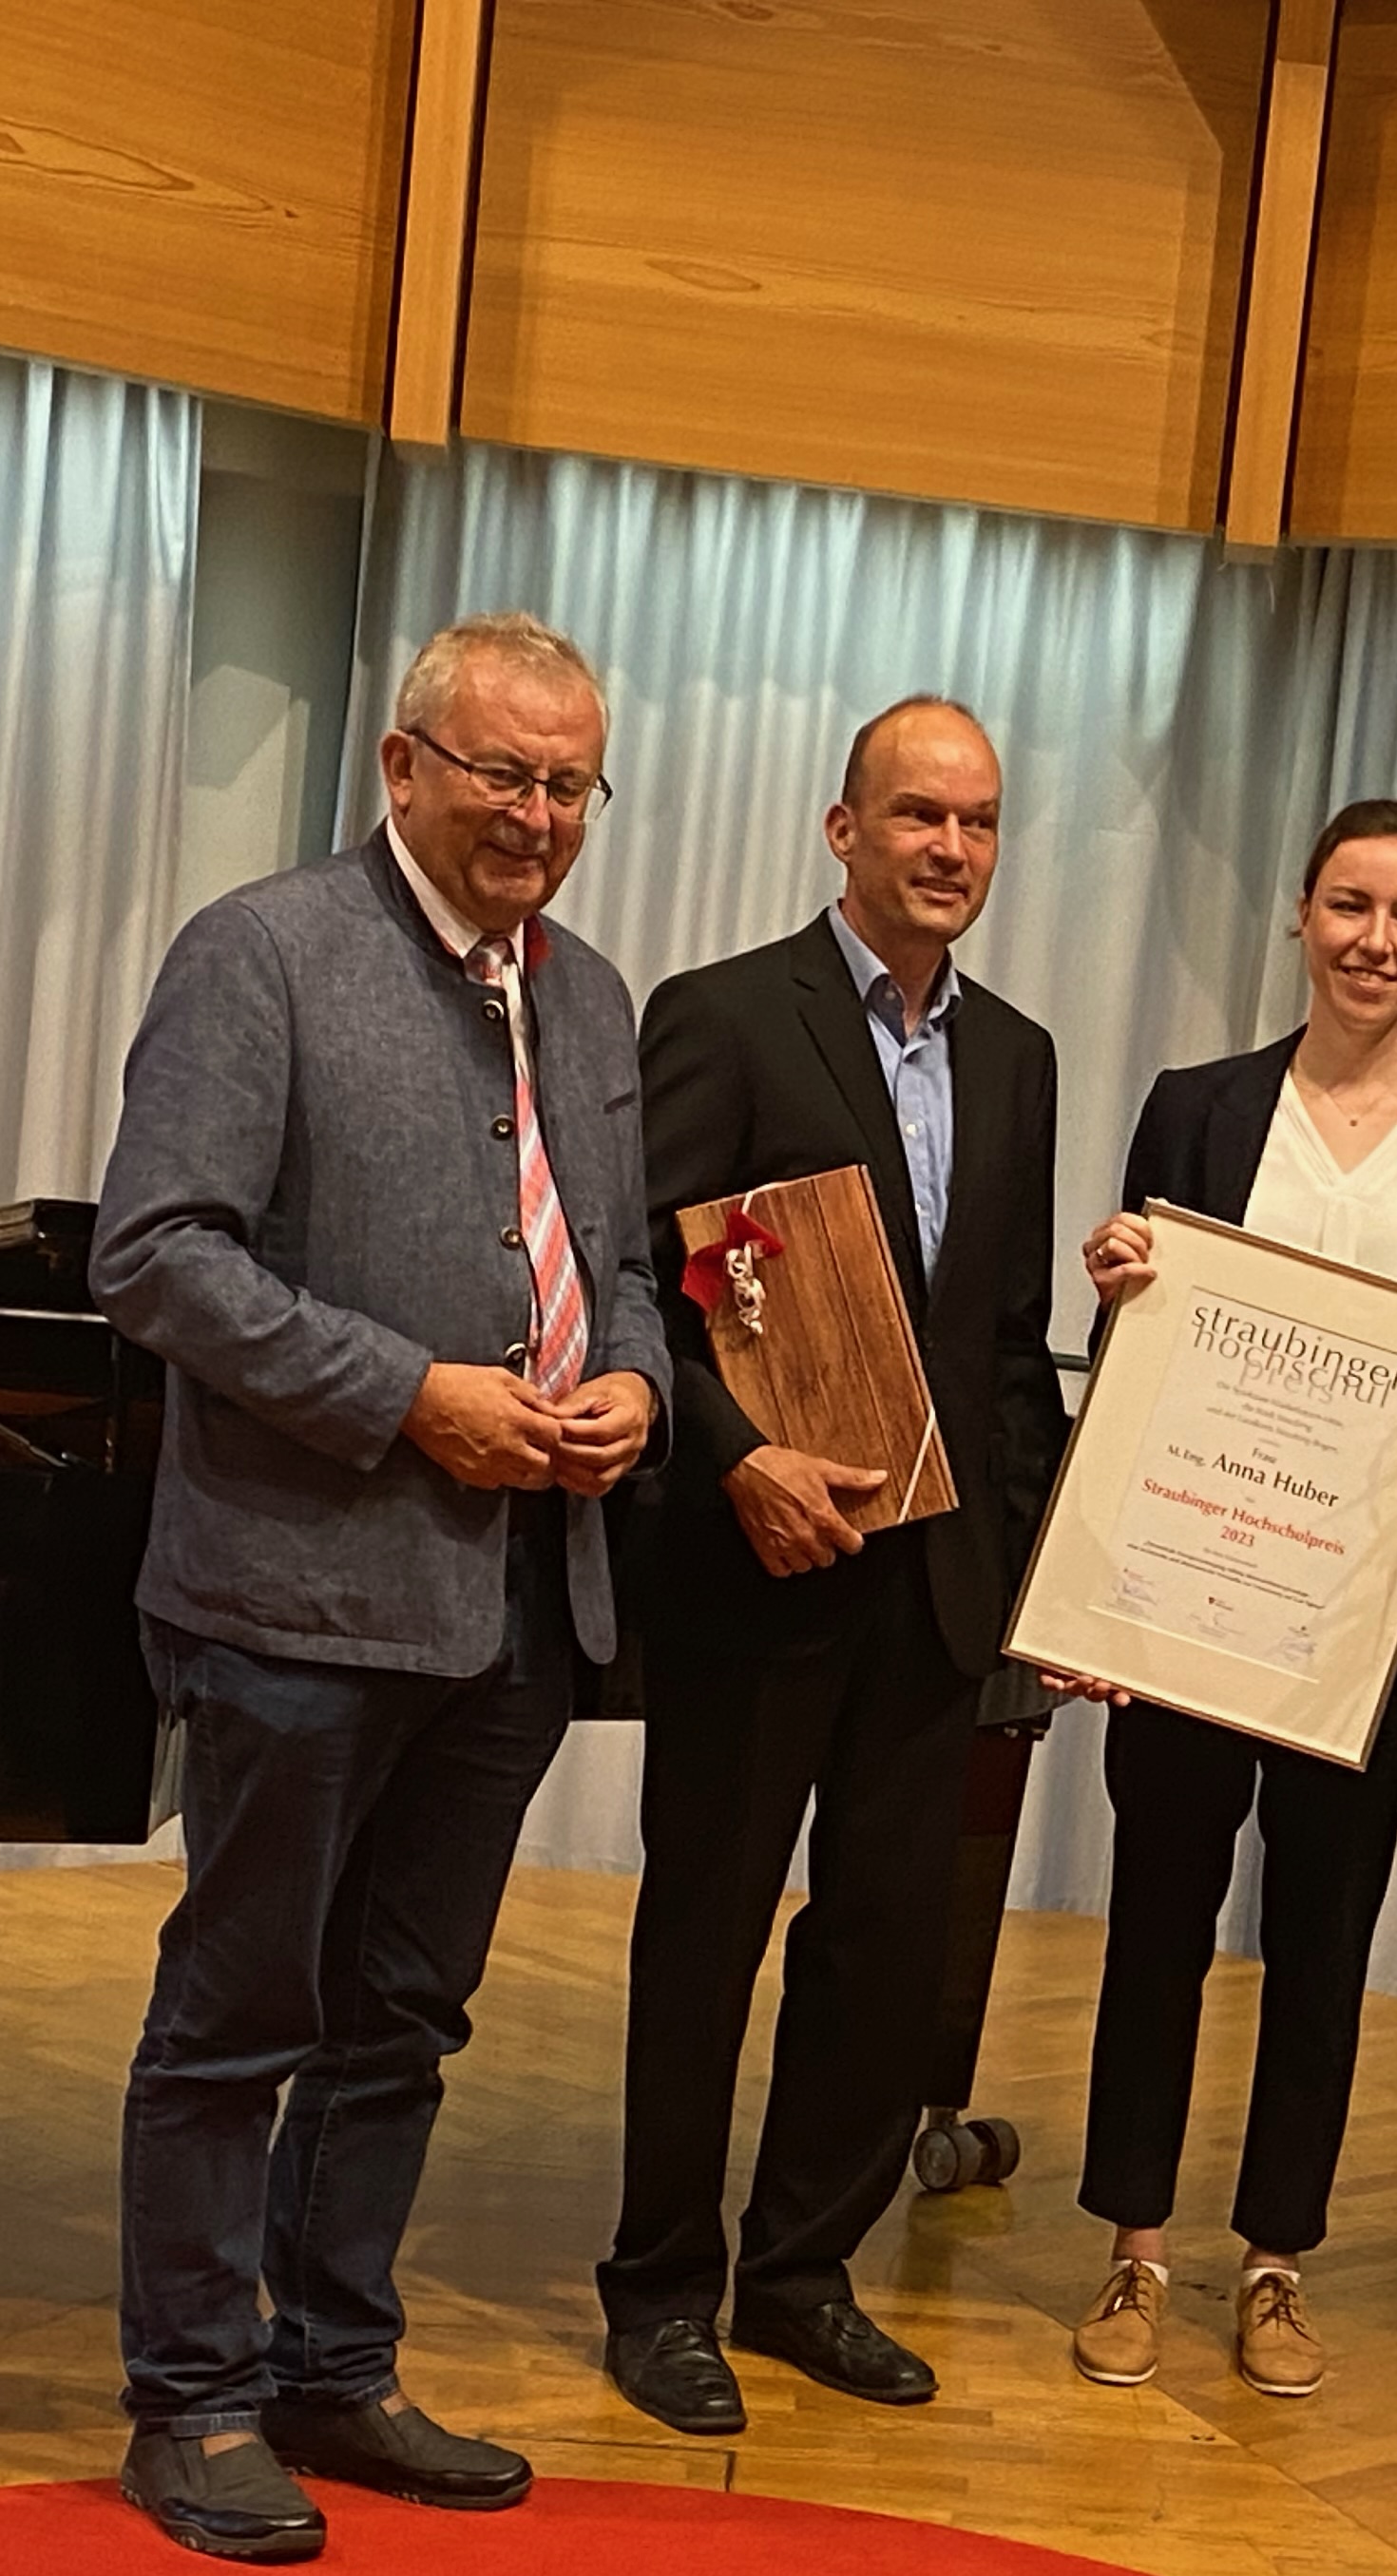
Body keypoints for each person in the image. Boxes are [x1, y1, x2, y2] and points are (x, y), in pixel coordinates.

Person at [89, 610, 667, 2562]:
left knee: (404, 2019)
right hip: (295, 1594)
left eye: (567, 782)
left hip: (517, 1601)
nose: (534, 814)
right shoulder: (262, 954)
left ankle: (337, 2365)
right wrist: (406, 1397)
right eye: (501, 772)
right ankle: (191, 2399)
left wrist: (639, 1395)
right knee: (240, 2014)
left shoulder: (587, 997)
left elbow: (634, 1266)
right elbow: (157, 1255)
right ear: (404, 766)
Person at [599, 696, 1063, 2431]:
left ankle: (798, 2273)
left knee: (881, 1950)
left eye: (980, 822)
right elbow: (644, 1277)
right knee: (704, 1933)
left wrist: (1034, 1582)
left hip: (933, 1592)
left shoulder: (1018, 1053)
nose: (951, 847)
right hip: (758, 1565)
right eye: (918, 814)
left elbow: (1006, 1348)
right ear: (841, 827)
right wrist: (736, 1460)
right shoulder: (724, 1015)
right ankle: (656, 2289)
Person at [1058, 799, 1397, 2400]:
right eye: (1349, 903)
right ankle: (1132, 2244)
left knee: (1323, 1941)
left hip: (1364, 1634)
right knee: (1156, 1927)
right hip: (1191, 1604)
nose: (1374, 940)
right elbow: (1141, 1362)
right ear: (1298, 911)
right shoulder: (1197, 1106)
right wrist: (1120, 1279)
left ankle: (1276, 2259)